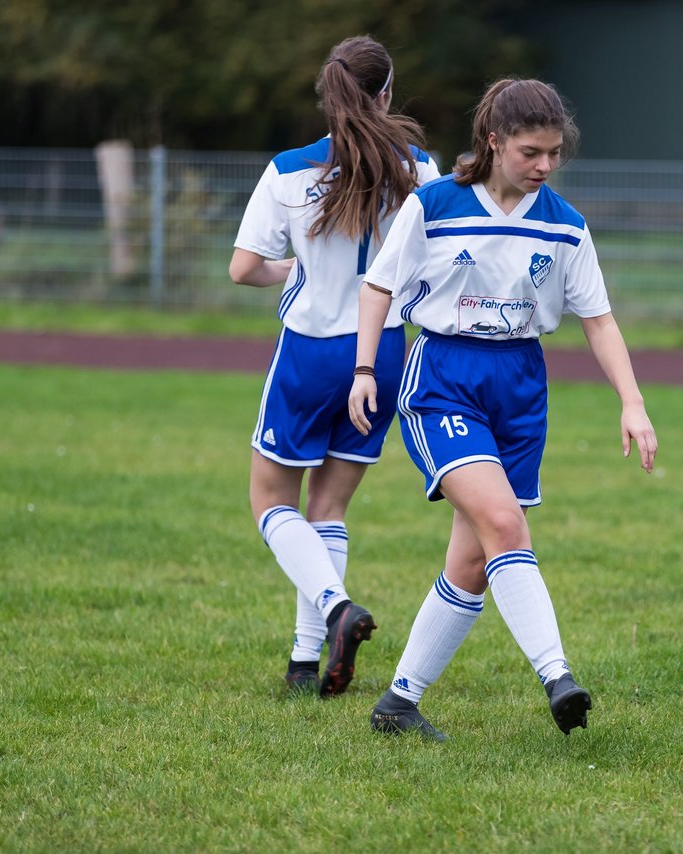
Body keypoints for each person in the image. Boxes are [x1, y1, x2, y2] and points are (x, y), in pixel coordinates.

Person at [347, 78, 658, 739]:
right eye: (530, 152)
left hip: (521, 386)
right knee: (503, 522)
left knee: (474, 562)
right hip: (445, 378)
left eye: (553, 153)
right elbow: (378, 286)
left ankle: (398, 703)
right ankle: (557, 675)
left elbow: (599, 321)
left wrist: (632, 403)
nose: (544, 165)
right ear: (493, 142)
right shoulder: (435, 205)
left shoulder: (565, 225)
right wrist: (366, 368)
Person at [229, 36, 439, 697]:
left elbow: (242, 269)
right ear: (385, 95)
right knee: (330, 509)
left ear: (328, 95)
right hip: (381, 355)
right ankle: (302, 661)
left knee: (271, 500)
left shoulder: (289, 169)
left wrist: (290, 268)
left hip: (310, 350)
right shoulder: (422, 168)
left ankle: (332, 611)